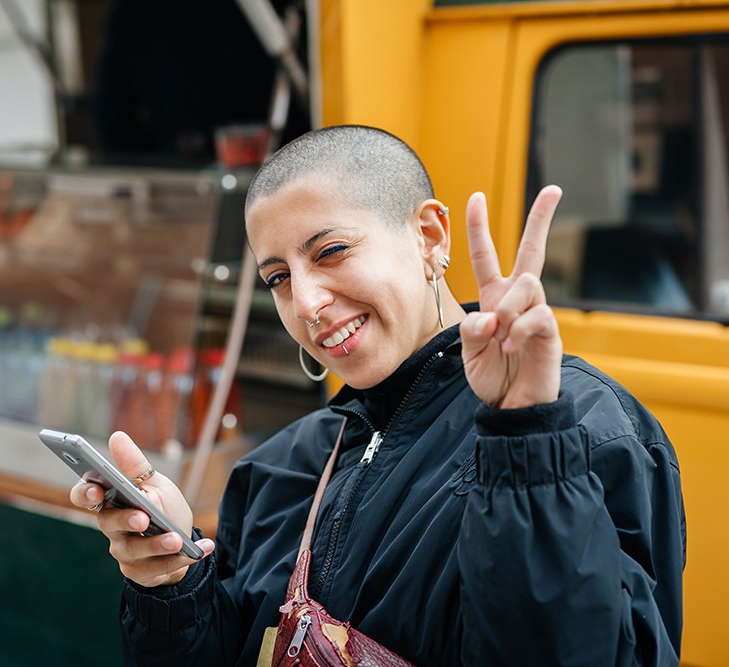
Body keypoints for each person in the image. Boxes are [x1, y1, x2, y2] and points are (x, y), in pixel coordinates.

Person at [70, 125, 686, 665]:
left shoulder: (583, 427)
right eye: (279, 279)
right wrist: (175, 582)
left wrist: (526, 443)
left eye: (331, 252)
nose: (306, 304)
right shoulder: (278, 467)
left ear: (428, 235)